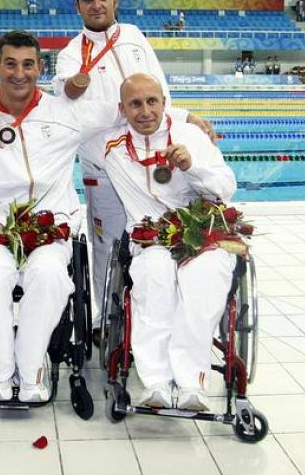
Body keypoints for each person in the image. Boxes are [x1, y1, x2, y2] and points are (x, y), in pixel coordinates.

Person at [0, 31, 120, 401]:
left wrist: (187, 117)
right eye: (11, 64)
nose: (20, 73)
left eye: (28, 64)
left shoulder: (66, 112)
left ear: (40, 68)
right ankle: (0, 376)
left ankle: (31, 373)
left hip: (49, 229)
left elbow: (124, 108)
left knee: (49, 275)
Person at [52, 0, 213, 340]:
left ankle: (160, 314)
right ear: (77, 6)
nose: (97, 4)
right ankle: (107, 320)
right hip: (103, 164)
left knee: (159, 233)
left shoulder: (135, 37)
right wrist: (77, 82)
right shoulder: (71, 53)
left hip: (151, 157)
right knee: (107, 242)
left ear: (115, 0)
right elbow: (67, 96)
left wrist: (186, 117)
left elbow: (159, 91)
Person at [94, 73, 237, 411]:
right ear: (123, 109)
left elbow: (226, 186)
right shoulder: (111, 146)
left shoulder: (191, 136)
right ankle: (155, 381)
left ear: (164, 103)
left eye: (152, 101)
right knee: (154, 279)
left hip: (201, 232)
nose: (145, 111)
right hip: (150, 238)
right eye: (135, 104)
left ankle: (192, 383)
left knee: (202, 282)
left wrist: (193, 167)